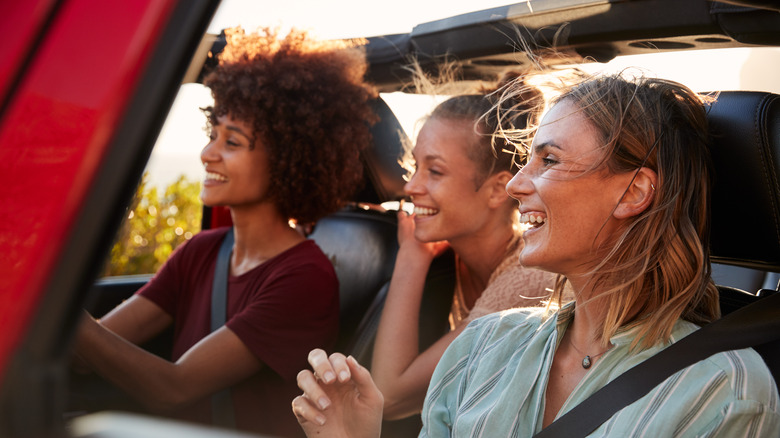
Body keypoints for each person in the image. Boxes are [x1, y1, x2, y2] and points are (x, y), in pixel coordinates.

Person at [291, 72, 780, 437]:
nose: (519, 185)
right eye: (527, 160)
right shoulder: (480, 347)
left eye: (549, 160)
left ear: (633, 192)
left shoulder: (724, 392)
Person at [72, 27, 377, 437]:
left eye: (232, 142)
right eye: (212, 135)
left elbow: (173, 388)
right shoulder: (203, 249)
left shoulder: (305, 277)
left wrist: (48, 298)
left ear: (288, 159)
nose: (207, 153)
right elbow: (91, 350)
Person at [371, 75, 558, 420]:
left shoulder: (528, 280)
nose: (411, 186)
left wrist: (411, 258)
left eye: (435, 172)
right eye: (415, 166)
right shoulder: (454, 258)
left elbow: (389, 396)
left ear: (498, 189)